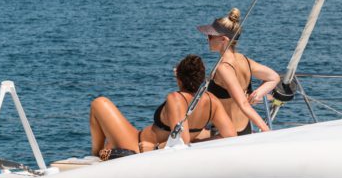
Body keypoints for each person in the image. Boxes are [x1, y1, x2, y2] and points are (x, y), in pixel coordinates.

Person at [90, 54, 236, 160]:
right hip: (142, 141)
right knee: (109, 143)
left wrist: (154, 148)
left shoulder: (176, 99)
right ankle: (104, 152)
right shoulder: (212, 101)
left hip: (138, 146)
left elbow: (182, 140)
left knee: (99, 103)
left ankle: (95, 156)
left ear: (179, 79)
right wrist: (198, 142)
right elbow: (230, 135)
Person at [197, 8, 279, 135]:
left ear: (223, 39)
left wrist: (268, 132)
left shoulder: (224, 68)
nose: (207, 39)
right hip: (244, 129)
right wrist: (257, 94)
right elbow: (274, 77)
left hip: (226, 134)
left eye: (210, 36)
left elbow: (243, 104)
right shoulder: (244, 60)